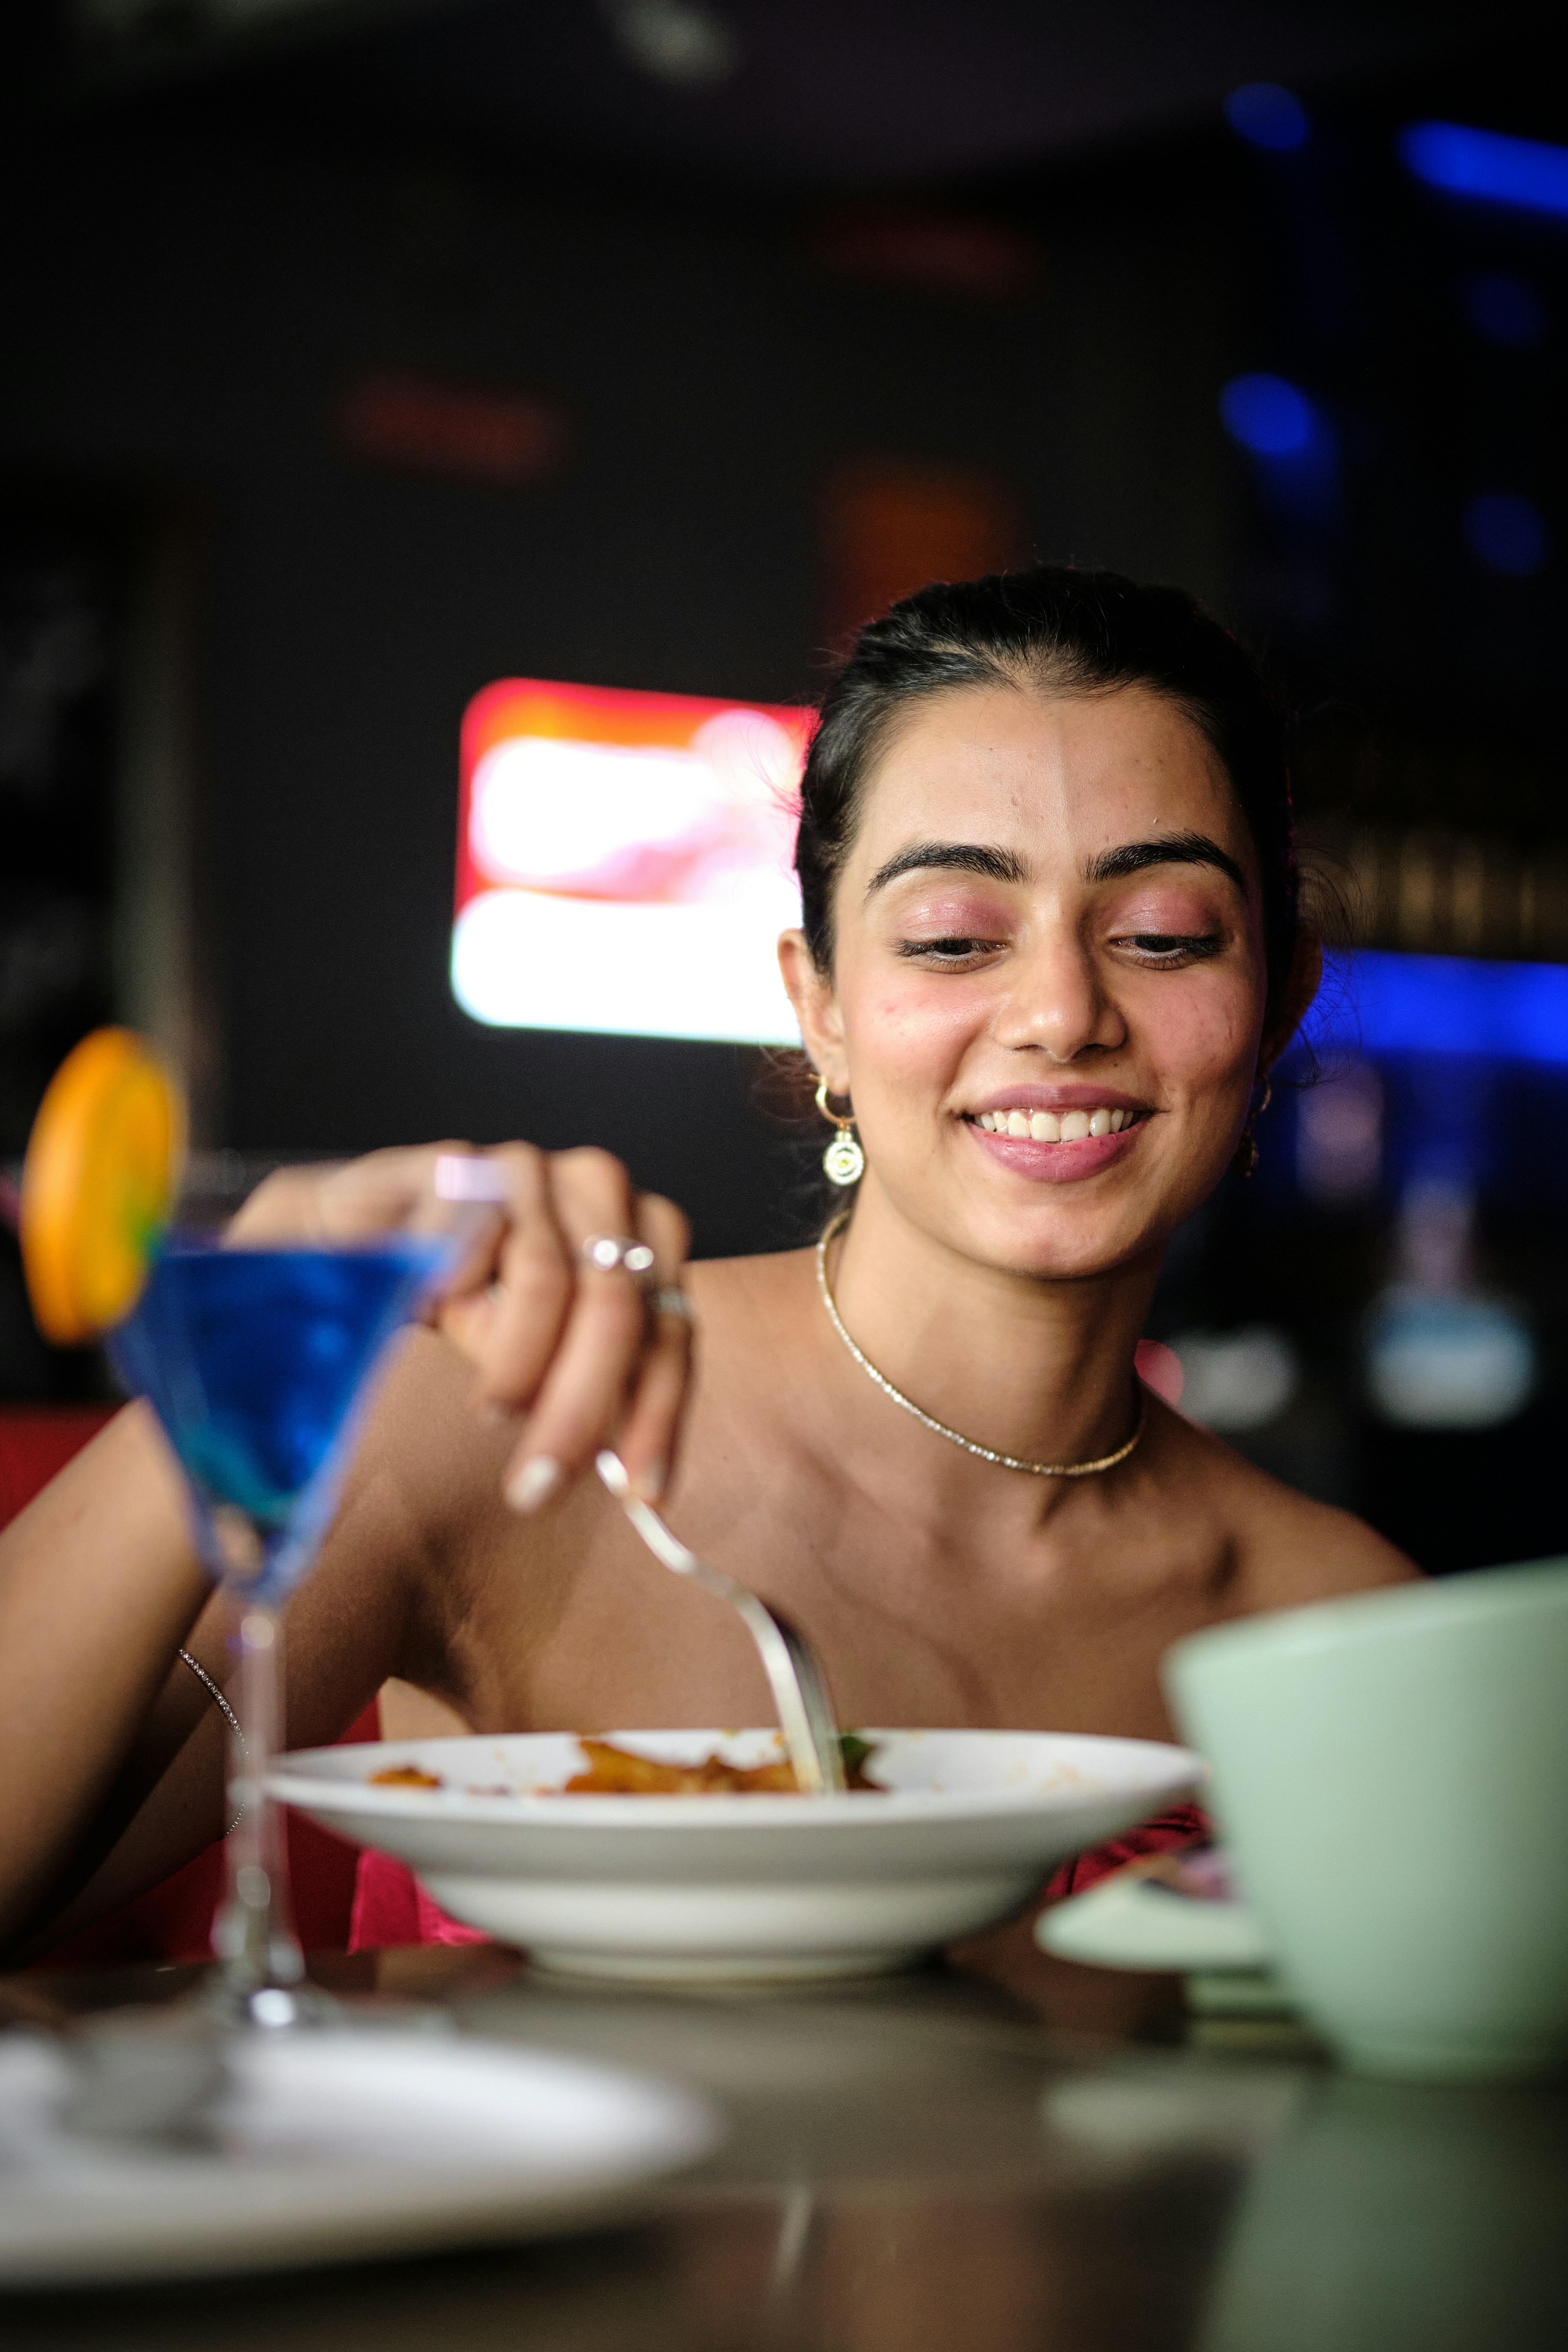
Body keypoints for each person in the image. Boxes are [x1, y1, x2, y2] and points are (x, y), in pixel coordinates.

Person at [0, 565, 1417, 1965]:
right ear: (822, 1013)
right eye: (951, 939)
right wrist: (248, 1341)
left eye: (1163, 936)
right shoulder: (518, 1423)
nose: (1060, 1011)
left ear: (1279, 999)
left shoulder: (1346, 1635)